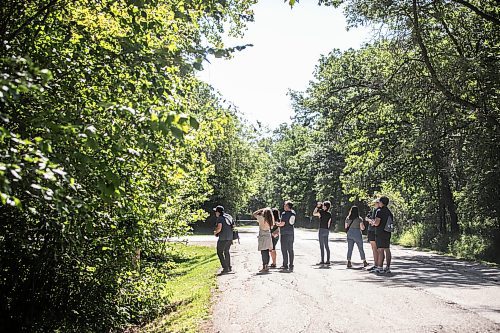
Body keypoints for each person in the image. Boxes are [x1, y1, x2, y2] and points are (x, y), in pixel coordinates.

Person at [373, 196, 393, 274]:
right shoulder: (389, 212)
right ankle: (387, 267)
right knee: (387, 249)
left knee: (380, 250)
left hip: (380, 232)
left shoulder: (379, 211)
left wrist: (373, 223)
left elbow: (377, 222)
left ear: (381, 202)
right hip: (387, 232)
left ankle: (380, 267)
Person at [213, 205, 234, 274]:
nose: (215, 213)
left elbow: (219, 228)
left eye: (216, 211)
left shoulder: (220, 218)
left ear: (218, 212)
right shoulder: (228, 217)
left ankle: (225, 268)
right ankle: (229, 267)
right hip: (230, 237)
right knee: (226, 251)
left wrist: (215, 232)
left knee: (219, 252)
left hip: (223, 238)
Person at [252, 207, 274, 273]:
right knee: (267, 251)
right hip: (268, 235)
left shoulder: (261, 218)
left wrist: (262, 209)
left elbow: (254, 214)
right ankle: (266, 265)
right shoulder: (271, 220)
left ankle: (264, 266)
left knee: (263, 252)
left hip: (262, 235)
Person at [276, 200, 296, 271]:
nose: (284, 206)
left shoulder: (284, 214)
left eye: (285, 205)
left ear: (287, 206)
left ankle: (285, 264)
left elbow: (283, 223)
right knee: (290, 249)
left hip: (284, 233)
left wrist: (277, 224)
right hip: (291, 233)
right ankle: (291, 264)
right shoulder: (293, 213)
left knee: (284, 249)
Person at [312, 201, 332, 265]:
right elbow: (329, 223)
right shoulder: (329, 214)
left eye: (323, 205)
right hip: (326, 230)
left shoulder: (321, 212)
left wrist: (317, 207)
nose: (322, 206)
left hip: (321, 230)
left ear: (325, 207)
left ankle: (322, 260)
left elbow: (314, 213)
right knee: (326, 245)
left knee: (321, 246)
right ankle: (328, 260)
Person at [365, 199, 381, 271]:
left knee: (376, 248)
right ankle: (376, 264)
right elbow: (367, 217)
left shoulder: (379, 211)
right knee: (373, 248)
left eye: (376, 203)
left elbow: (375, 221)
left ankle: (377, 265)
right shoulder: (373, 211)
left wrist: (372, 221)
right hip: (371, 230)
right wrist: (369, 220)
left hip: (375, 231)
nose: (375, 204)